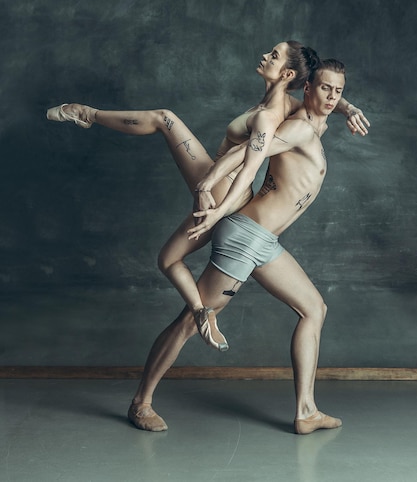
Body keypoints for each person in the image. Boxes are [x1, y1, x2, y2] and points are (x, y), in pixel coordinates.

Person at [46, 41, 369, 351]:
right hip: (230, 192)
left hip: (223, 185)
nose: (264, 56)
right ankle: (202, 310)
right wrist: (348, 107)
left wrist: (211, 200)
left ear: (287, 74)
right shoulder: (291, 104)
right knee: (168, 259)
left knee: (166, 118)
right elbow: (324, 93)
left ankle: (86, 113)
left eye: (273, 55)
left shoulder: (271, 116)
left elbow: (247, 164)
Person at [126, 58, 358, 435]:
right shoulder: (299, 128)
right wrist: (208, 183)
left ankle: (306, 411)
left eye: (339, 90)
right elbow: (253, 149)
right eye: (325, 88)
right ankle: (141, 403)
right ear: (307, 89)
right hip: (245, 238)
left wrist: (349, 106)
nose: (332, 96)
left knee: (314, 308)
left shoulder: (317, 121)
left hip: (265, 242)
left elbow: (332, 100)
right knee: (190, 321)